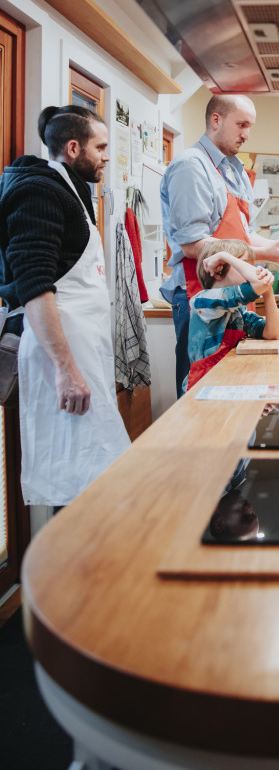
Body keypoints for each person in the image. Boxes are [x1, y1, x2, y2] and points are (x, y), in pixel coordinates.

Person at [0, 105, 130, 507]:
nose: (107, 156)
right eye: (101, 147)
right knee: (74, 477)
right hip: (61, 358)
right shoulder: (38, 192)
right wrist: (66, 370)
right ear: (73, 148)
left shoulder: (73, 191)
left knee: (94, 470)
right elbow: (34, 287)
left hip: (84, 351)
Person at [160, 93, 279, 396]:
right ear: (216, 120)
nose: (247, 134)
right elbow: (193, 244)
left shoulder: (235, 170)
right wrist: (256, 258)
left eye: (250, 126)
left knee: (236, 382)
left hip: (235, 286)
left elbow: (244, 234)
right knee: (199, 393)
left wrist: (275, 249)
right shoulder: (191, 166)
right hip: (200, 291)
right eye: (241, 124)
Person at [186, 239, 279, 391]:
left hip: (227, 378)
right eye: (244, 264)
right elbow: (257, 283)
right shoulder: (203, 302)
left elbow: (272, 332)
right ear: (218, 270)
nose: (253, 270)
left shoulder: (237, 311)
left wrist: (268, 290)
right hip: (203, 385)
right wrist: (225, 256)